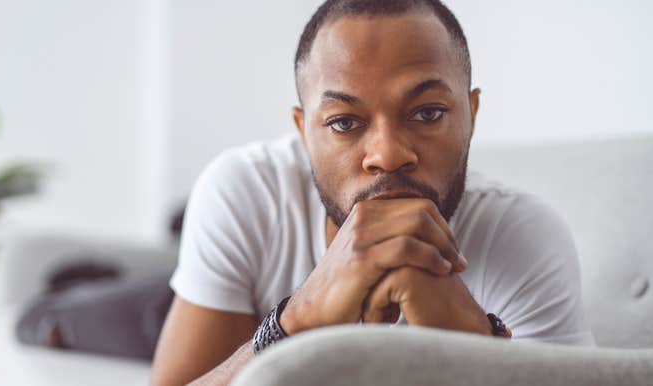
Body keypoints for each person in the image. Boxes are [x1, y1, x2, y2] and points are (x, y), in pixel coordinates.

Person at [151, 1, 595, 385]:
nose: (388, 155)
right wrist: (298, 321)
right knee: (99, 314)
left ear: (471, 115)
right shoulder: (244, 190)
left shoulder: (523, 237)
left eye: (427, 113)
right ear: (303, 132)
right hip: (195, 293)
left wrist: (471, 338)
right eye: (344, 122)